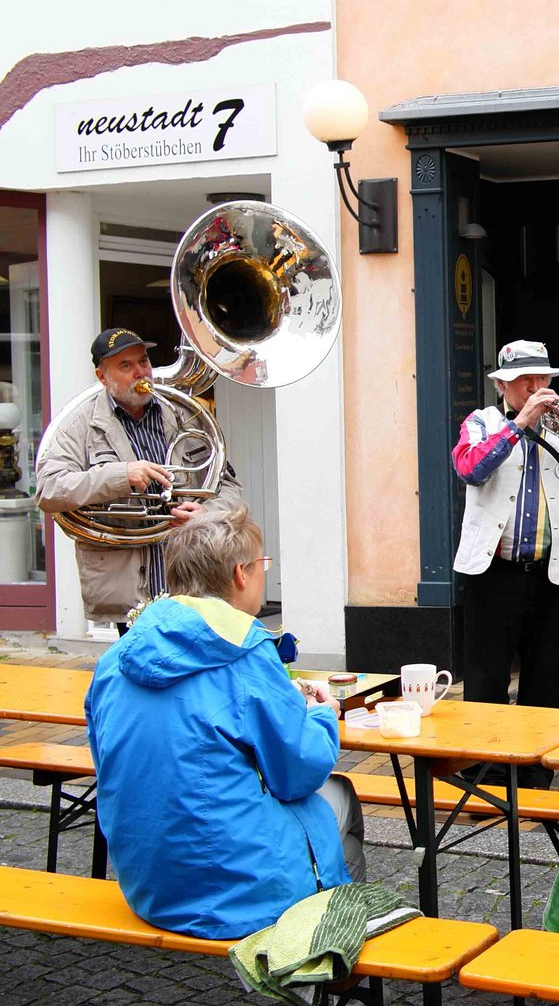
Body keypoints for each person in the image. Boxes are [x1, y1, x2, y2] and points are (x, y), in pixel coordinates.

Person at [84, 502, 363, 939]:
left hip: (150, 886)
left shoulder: (115, 658)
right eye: (261, 565)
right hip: (239, 896)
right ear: (240, 574)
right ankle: (334, 940)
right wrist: (323, 715)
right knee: (339, 793)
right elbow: (298, 771)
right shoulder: (246, 654)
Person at [452, 340, 559, 783]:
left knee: (544, 678)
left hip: (552, 574)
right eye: (526, 380)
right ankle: (485, 776)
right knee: (486, 678)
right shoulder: (482, 423)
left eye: (543, 379)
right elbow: (470, 467)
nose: (538, 387)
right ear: (504, 385)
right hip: (493, 573)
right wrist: (521, 425)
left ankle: (533, 776)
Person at [36, 328, 242, 629]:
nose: (140, 373)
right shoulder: (78, 425)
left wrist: (207, 514)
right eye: (125, 366)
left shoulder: (183, 414)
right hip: (129, 586)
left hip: (191, 575)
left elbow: (228, 485)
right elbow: (49, 489)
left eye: (143, 361)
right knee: (145, 670)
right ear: (102, 377)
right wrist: (122, 475)